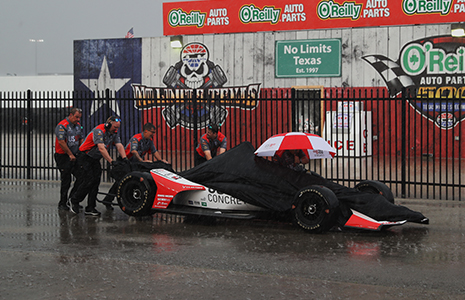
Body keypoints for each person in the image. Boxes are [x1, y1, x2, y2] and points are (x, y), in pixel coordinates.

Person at [69, 116, 127, 216]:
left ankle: (90, 207)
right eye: (115, 127)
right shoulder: (99, 131)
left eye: (118, 128)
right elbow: (101, 148)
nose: (116, 130)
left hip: (94, 159)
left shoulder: (113, 133)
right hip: (84, 157)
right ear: (108, 124)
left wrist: (125, 158)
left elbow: (119, 145)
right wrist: (111, 161)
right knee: (88, 180)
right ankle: (74, 200)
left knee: (96, 181)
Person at [54, 108, 83, 211]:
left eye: (79, 117)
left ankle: (73, 199)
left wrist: (80, 152)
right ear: (70, 115)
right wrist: (70, 154)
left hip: (74, 155)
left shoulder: (78, 126)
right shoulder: (62, 126)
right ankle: (62, 202)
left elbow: (80, 139)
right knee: (66, 180)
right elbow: (61, 142)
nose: (78, 119)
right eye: (76, 117)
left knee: (81, 177)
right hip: (63, 156)